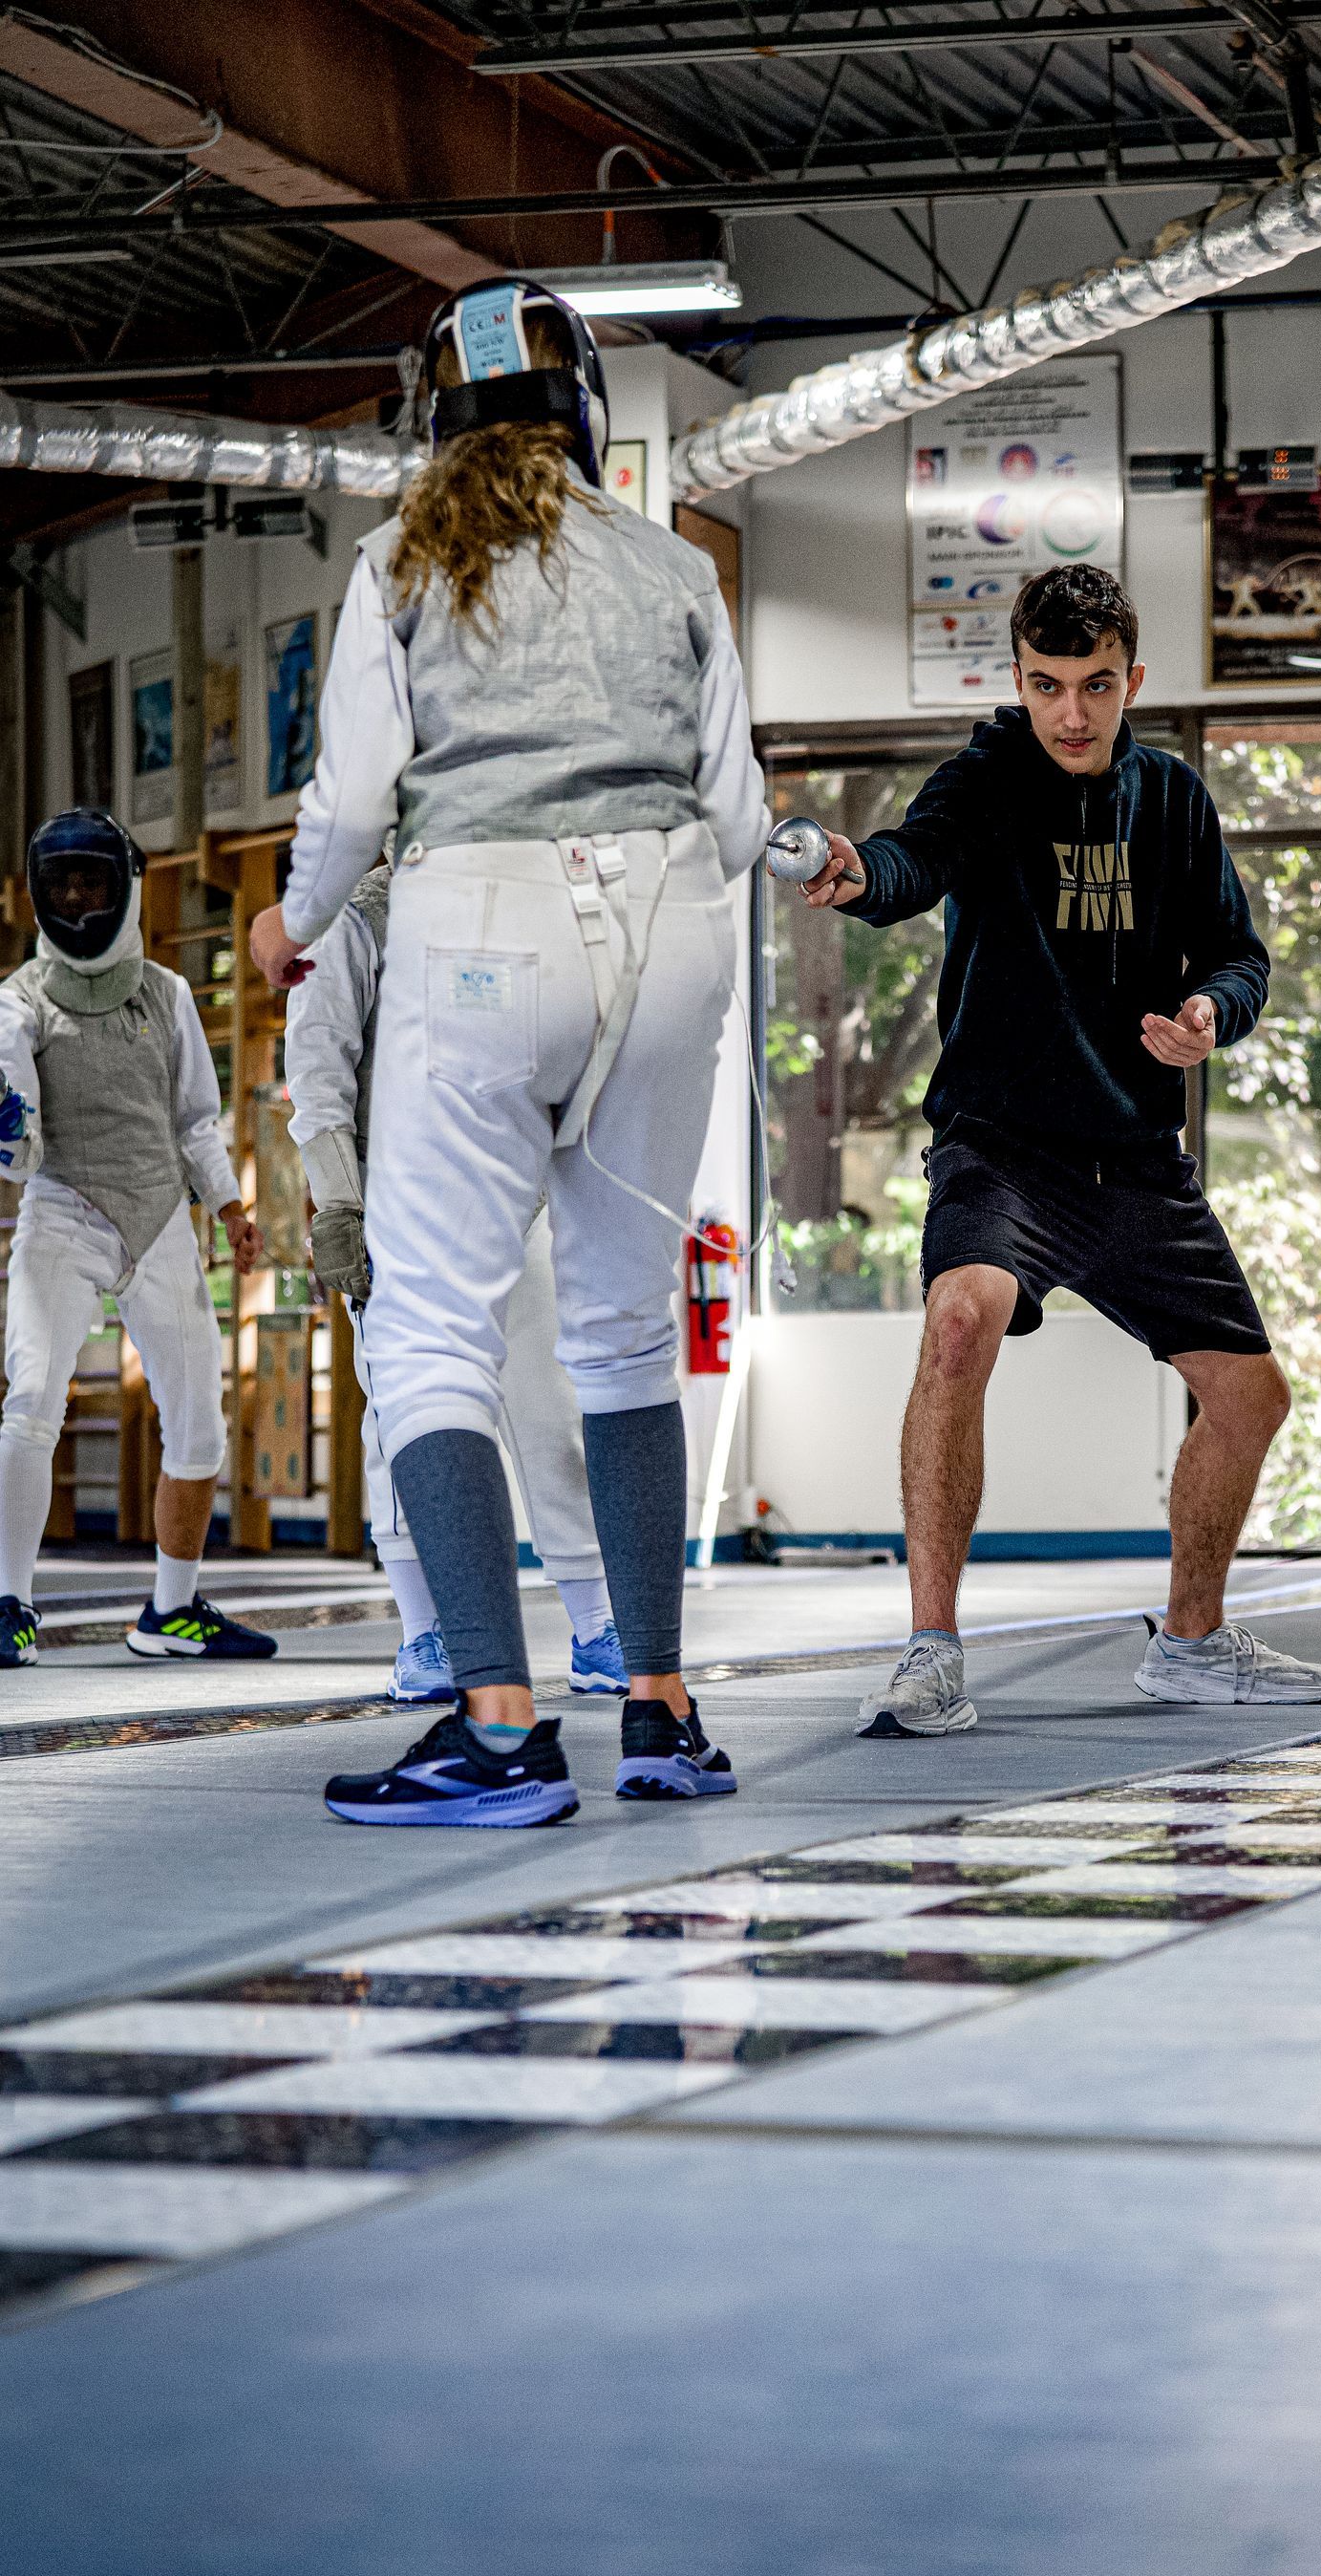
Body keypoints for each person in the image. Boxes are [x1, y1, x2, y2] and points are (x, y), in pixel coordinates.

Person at [249, 276, 768, 1825]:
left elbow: (353, 801)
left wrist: (293, 923)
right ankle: (661, 1712)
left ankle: (491, 1722)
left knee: (428, 1338)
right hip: (674, 935)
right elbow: (739, 813)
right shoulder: (674, 566)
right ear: (585, 411)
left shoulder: (400, 563)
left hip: (481, 933)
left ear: (438, 423)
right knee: (618, 1336)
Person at [796, 563, 1321, 1736]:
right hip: (1003, 1150)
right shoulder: (990, 778)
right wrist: (858, 876)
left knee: (1251, 1402)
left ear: (1131, 679)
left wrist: (1210, 1016)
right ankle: (930, 1654)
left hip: (1138, 1161)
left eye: (1095, 686)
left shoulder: (1175, 803)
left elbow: (1241, 957)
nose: (1072, 715)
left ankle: (1191, 1647)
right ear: (1021, 681)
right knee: (959, 1318)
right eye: (1047, 686)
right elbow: (913, 860)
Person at [284, 858, 629, 1705]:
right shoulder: (354, 920)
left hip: (512, 1207)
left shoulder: (515, 905)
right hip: (399, 1222)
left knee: (552, 1417)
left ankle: (594, 1630)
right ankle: (425, 1637)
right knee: (405, 1425)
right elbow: (318, 1071)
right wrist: (340, 1204)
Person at [0, 808, 272, 1666]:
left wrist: (229, 1206)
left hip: (160, 1222)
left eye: (92, 881)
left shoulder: (167, 992)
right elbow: (19, 1138)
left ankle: (172, 1610)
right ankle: (9, 1604)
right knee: (31, 1403)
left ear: (126, 889)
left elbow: (196, 1117)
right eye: (61, 883)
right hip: (63, 1212)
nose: (77, 896)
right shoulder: (19, 1001)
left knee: (200, 1421)